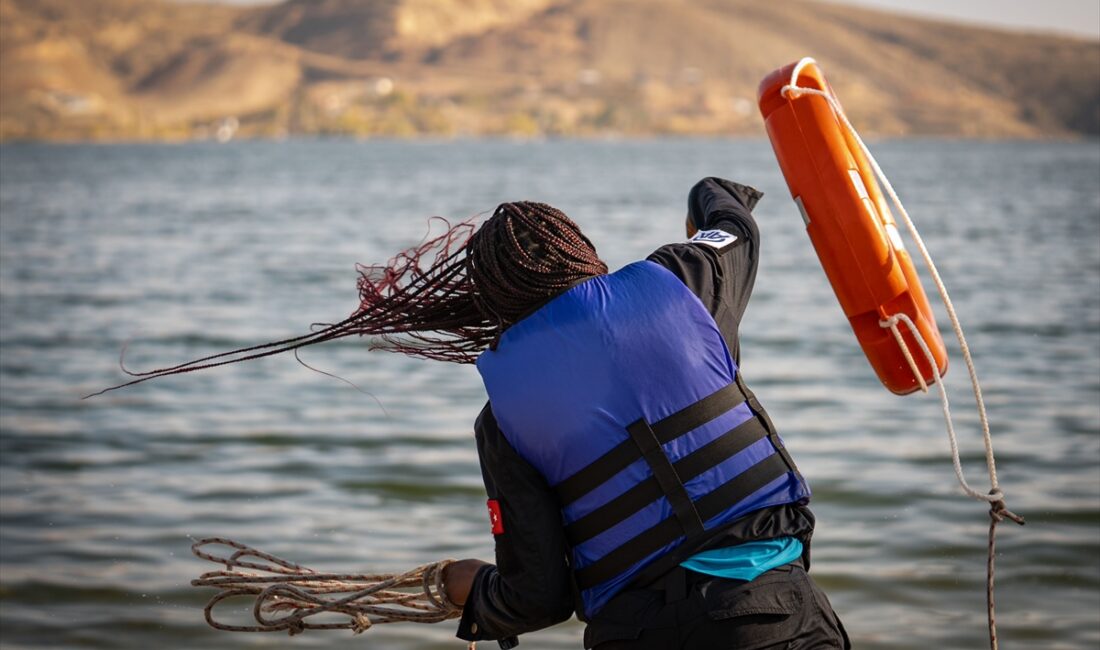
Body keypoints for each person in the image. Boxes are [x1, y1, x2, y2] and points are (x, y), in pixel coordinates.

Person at [93, 177, 849, 649]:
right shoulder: (682, 282)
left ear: (490, 304)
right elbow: (735, 229)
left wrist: (466, 591)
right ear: (583, 254)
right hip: (771, 617)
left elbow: (538, 598)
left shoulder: (504, 417)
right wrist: (716, 192)